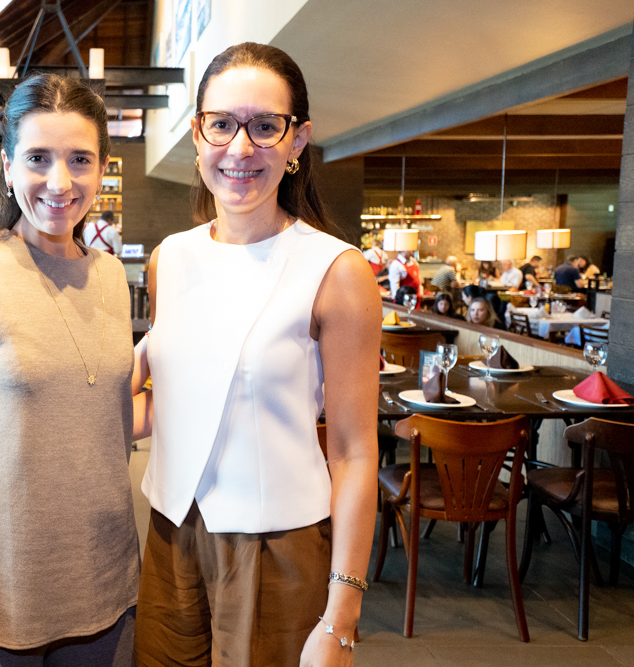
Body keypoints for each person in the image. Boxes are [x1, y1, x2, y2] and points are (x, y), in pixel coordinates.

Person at [134, 42, 379, 667]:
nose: (240, 148)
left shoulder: (337, 270)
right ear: (197, 133)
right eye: (222, 124)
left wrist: (342, 616)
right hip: (168, 535)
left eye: (266, 127)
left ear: (297, 142)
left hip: (277, 547)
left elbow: (353, 451)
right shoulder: (170, 258)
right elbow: (175, 403)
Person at [0, 74, 139, 667]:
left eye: (79, 160)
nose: (59, 182)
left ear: (101, 168)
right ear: (8, 167)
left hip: (102, 576)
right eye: (38, 158)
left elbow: (102, 413)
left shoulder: (113, 277)